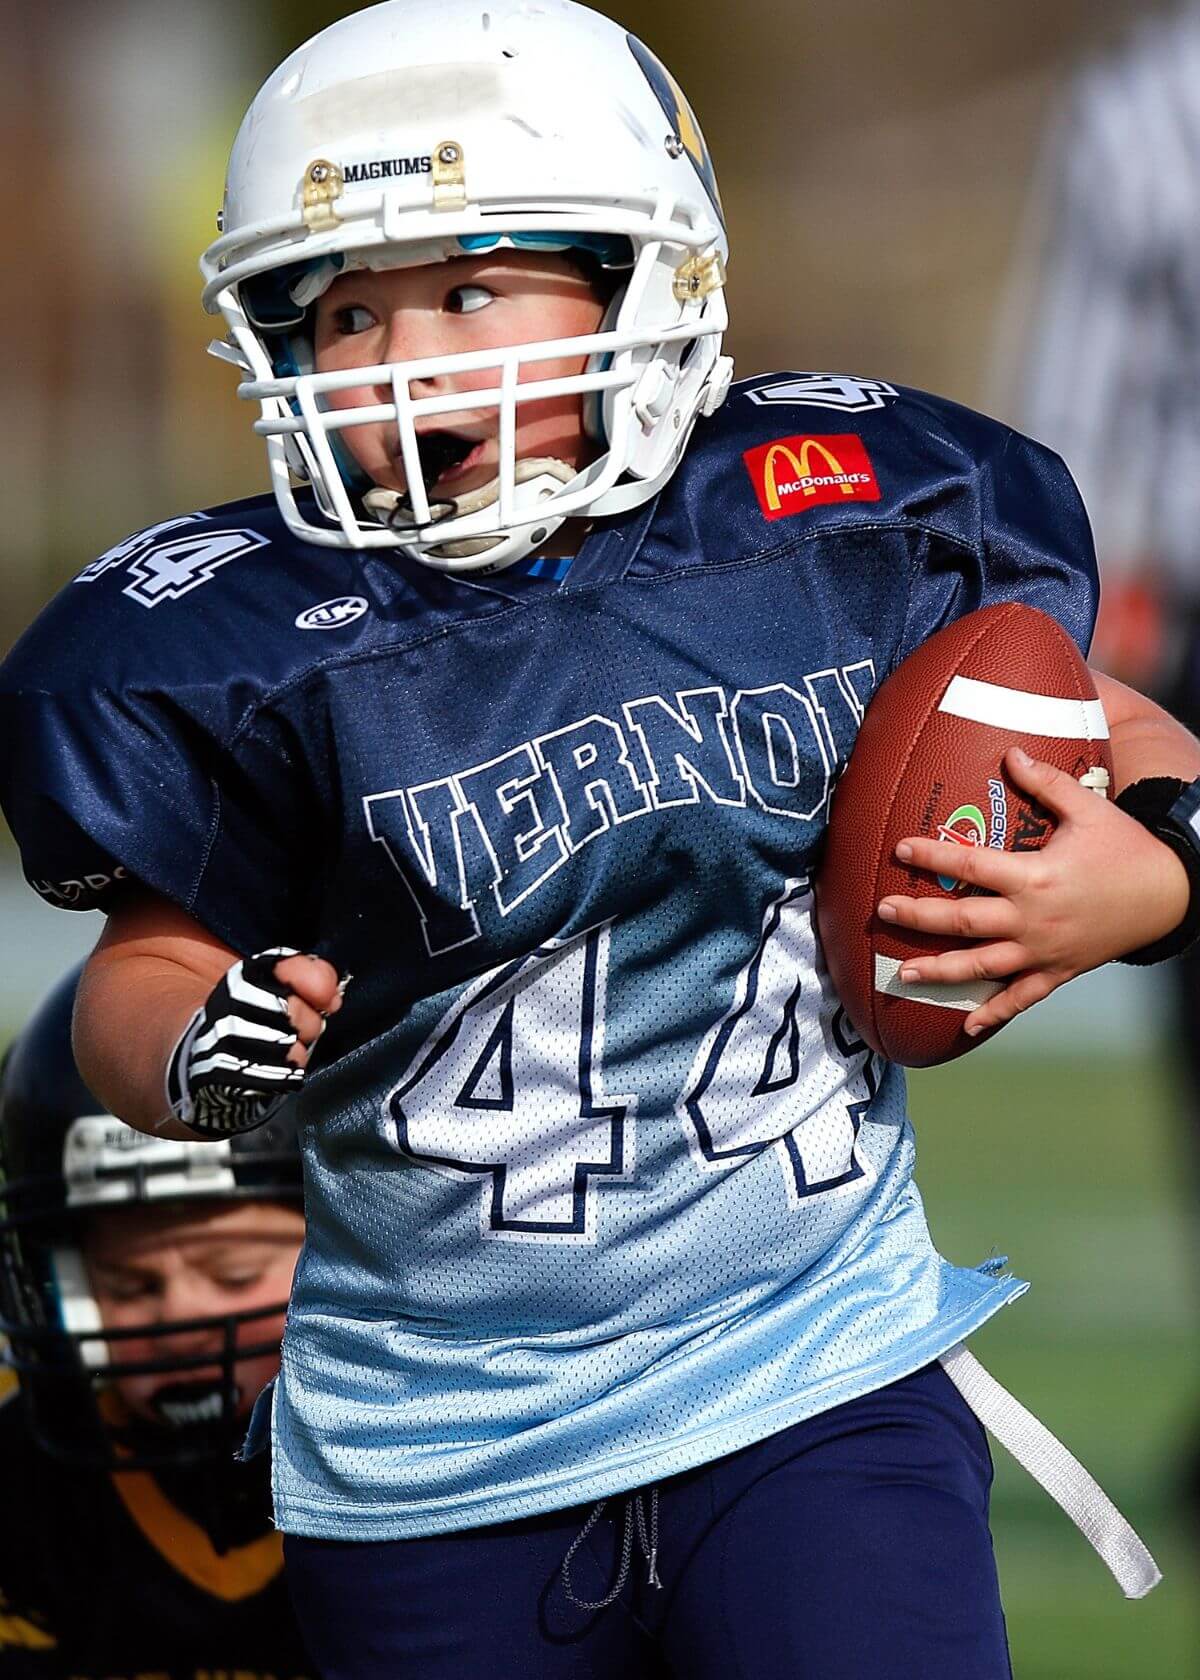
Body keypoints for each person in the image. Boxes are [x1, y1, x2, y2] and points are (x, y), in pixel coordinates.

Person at [1, 3, 1199, 1675]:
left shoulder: (839, 517)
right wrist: (191, 1048)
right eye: (348, 311)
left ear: (655, 281)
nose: (404, 357)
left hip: (810, 1372)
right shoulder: (240, 641)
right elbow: (139, 971)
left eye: (471, 289)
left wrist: (1150, 863)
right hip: (437, 1462)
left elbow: (1108, 720)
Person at [0, 967, 315, 1679]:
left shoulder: (437, 1466)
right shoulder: (28, 1498)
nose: (179, 1318)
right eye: (128, 1284)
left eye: (233, 1273)